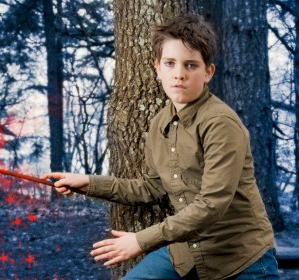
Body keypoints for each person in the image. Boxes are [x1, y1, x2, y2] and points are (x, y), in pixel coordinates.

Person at [43, 14, 278, 280]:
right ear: (158, 68)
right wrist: (88, 183)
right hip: (187, 251)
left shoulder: (220, 123)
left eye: (191, 65)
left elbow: (212, 204)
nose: (179, 74)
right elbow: (152, 186)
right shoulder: (160, 124)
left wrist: (141, 241)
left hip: (240, 258)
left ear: (208, 72)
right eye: (170, 63)